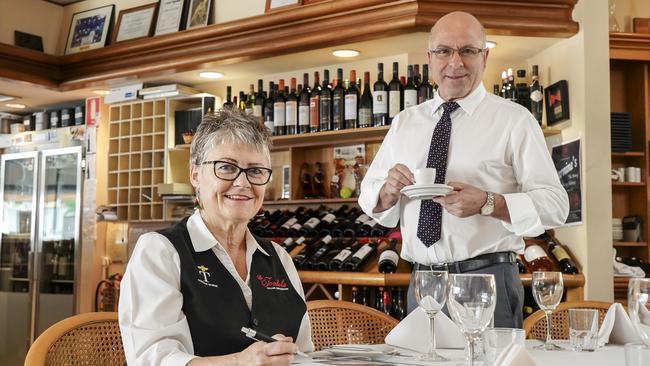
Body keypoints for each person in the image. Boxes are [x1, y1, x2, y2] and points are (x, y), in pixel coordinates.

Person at [358, 11, 569, 328]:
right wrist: (386, 192)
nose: (455, 63)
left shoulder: (515, 120)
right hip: (422, 283)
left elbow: (557, 205)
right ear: (430, 58)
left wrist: (489, 202)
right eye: (444, 51)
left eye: (467, 51)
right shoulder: (405, 122)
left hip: (487, 282)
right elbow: (368, 195)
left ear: (485, 56)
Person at [119, 107, 313, 365]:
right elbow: (155, 360)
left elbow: (304, 354)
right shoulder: (160, 252)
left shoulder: (279, 258)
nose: (243, 183)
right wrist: (240, 363)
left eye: (255, 171)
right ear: (195, 174)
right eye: (226, 167)